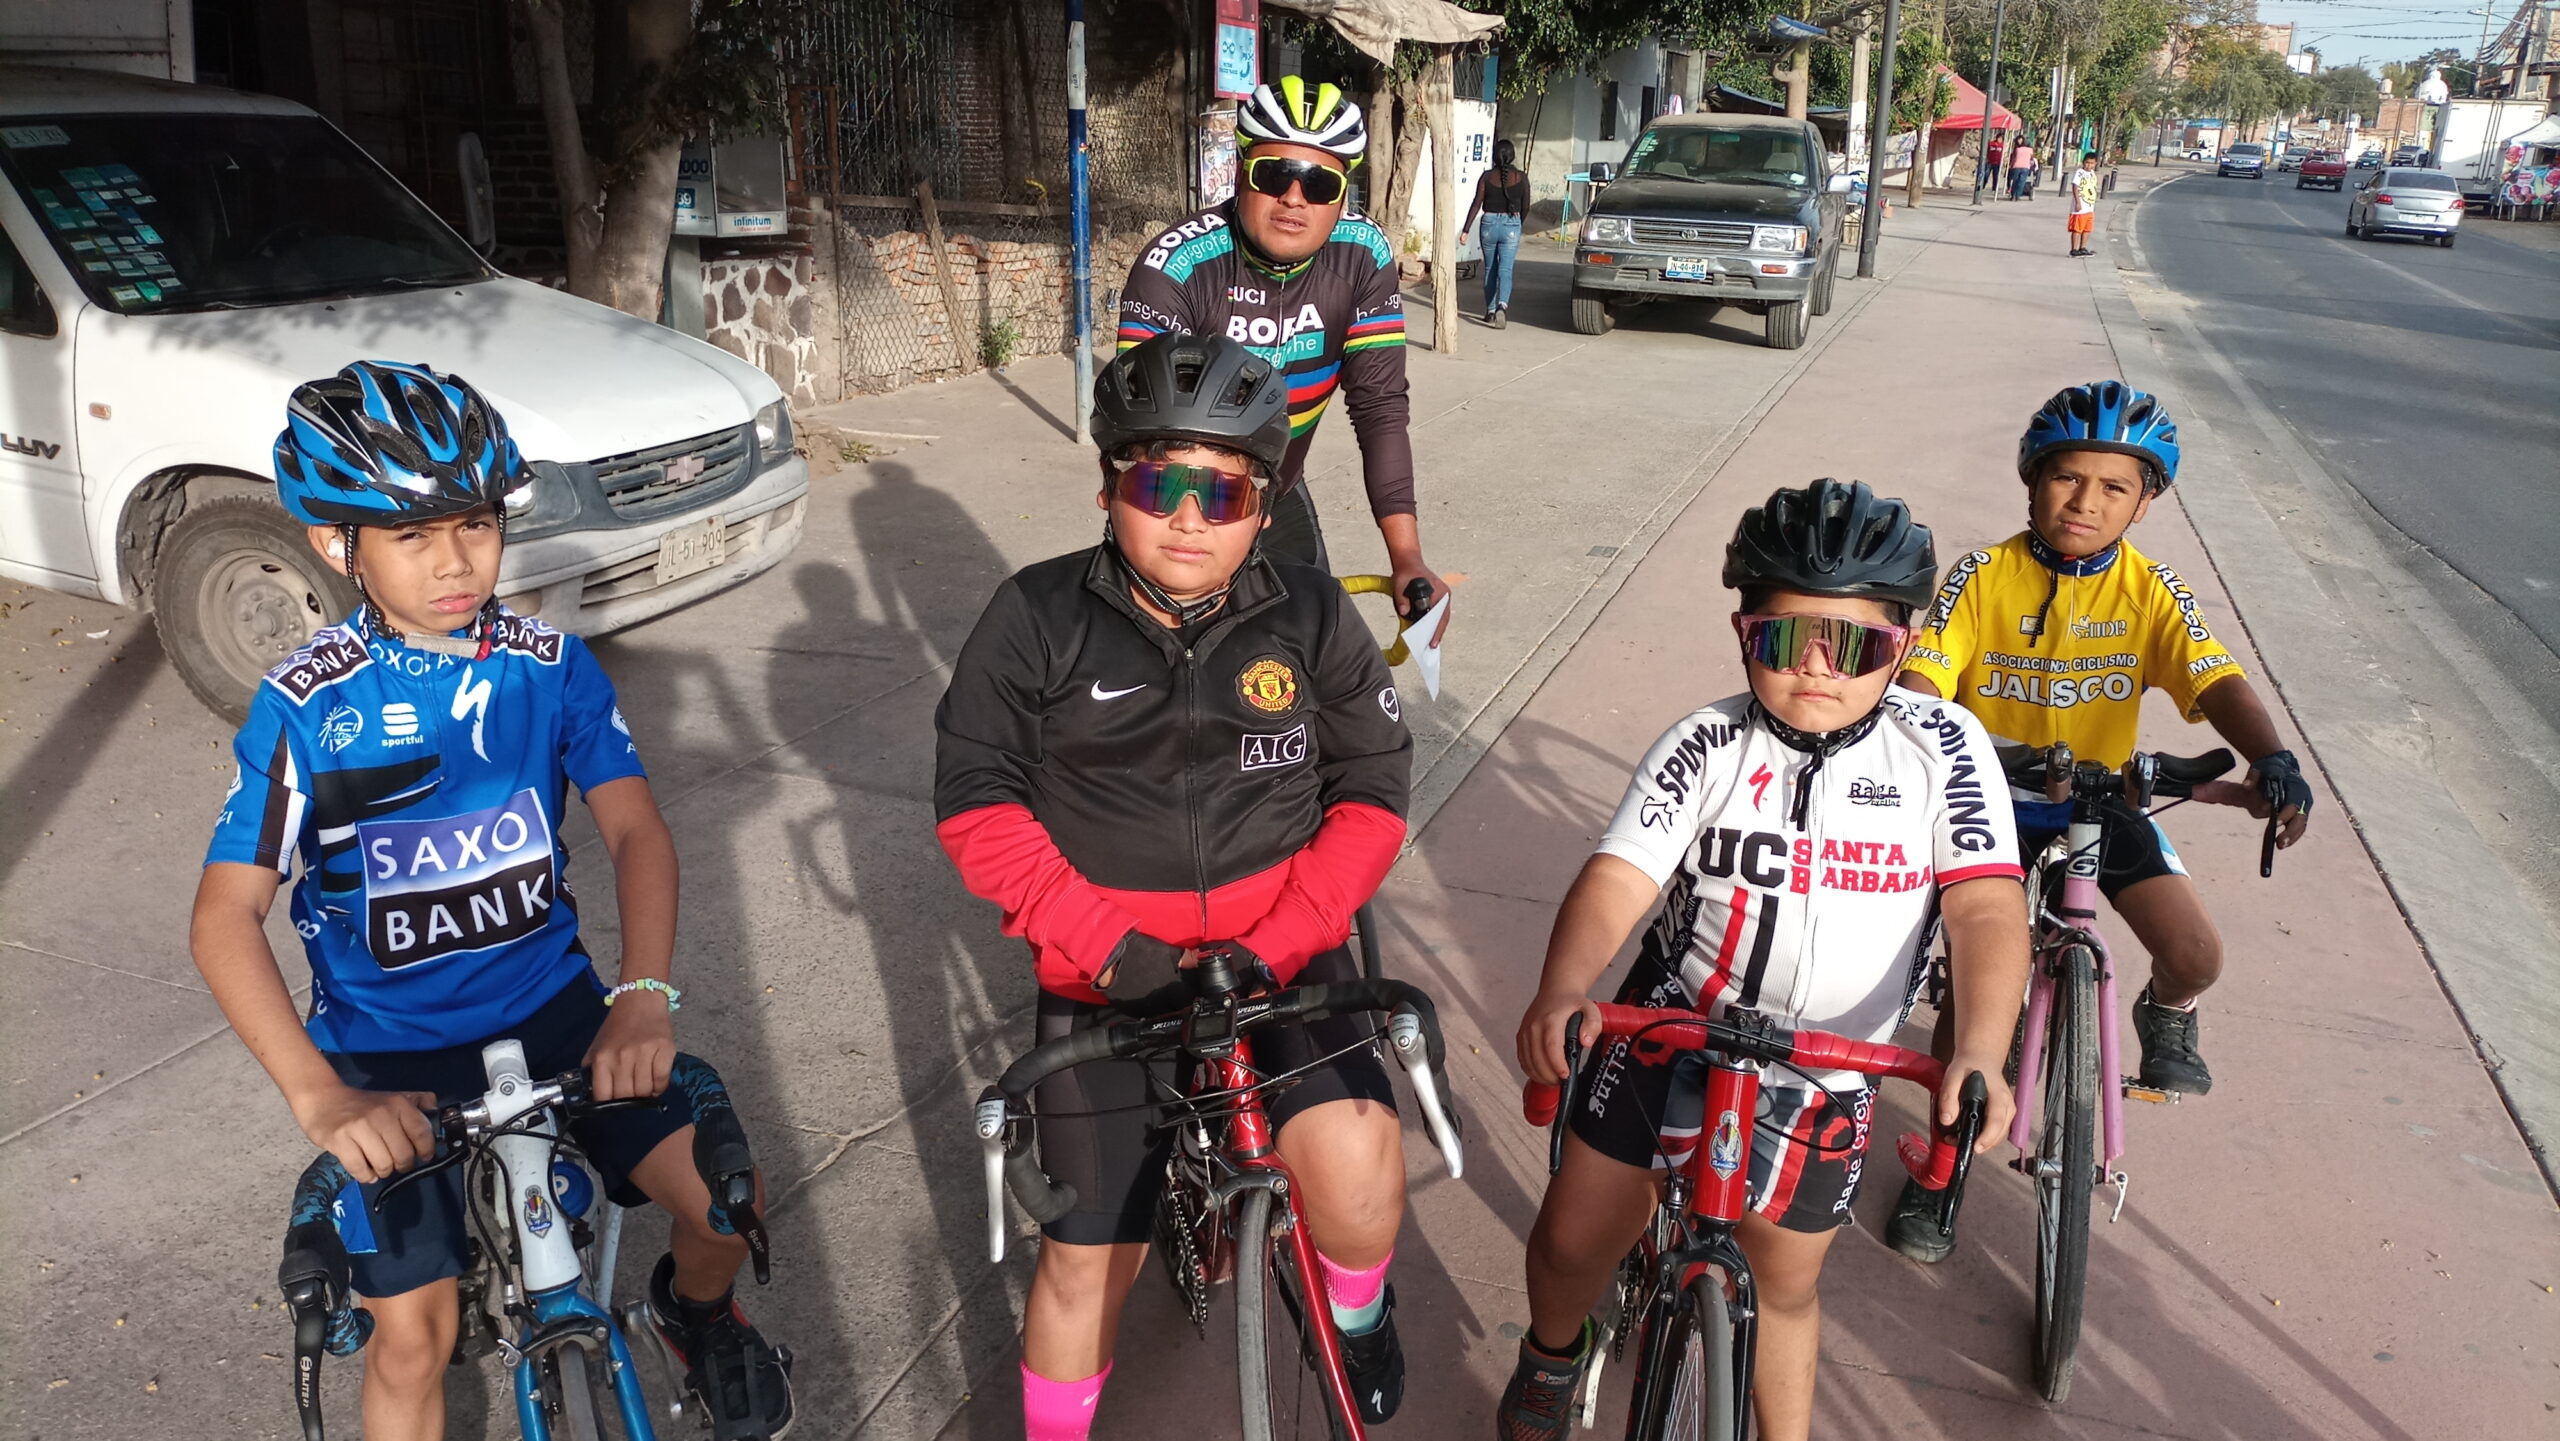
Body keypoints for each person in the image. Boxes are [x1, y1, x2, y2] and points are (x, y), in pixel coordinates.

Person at [189, 361, 792, 1441]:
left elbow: (634, 829)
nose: (456, 561)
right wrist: (320, 1099)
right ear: (339, 545)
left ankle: (692, 1316)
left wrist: (643, 998)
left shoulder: (551, 666)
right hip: (389, 1053)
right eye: (411, 536)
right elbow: (222, 918)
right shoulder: (303, 705)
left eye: (472, 524)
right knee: (409, 1340)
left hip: (559, 1015)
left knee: (724, 1212)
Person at [935, 333, 1419, 1437]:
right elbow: (976, 801)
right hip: (1114, 974)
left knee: (1355, 1172)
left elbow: (1373, 784)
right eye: (1159, 482)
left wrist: (1284, 940)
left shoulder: (1307, 614)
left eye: (1224, 488)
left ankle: (1356, 1312)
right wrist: (1110, 951)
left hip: (1280, 956)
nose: (1189, 515)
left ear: (1264, 502)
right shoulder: (1034, 616)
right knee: (1078, 1272)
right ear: (1110, 486)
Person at [1499, 480, 2029, 1441]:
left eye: (1856, 645)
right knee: (1576, 1237)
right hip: (1673, 1022)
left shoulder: (1944, 746)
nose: (1818, 669)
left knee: (1784, 1284)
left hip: (1832, 1062)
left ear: (1903, 646)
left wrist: (1981, 1047)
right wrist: (1564, 989)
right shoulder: (1706, 742)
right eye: (1786, 641)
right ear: (1745, 633)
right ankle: (1550, 1348)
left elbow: (1988, 907)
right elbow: (1619, 876)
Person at [1884, 381, 2314, 1262]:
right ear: (2031, 480)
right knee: (1978, 1015)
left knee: (2197, 953)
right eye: (2066, 478)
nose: (2085, 502)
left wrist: (2272, 758)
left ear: (2146, 500)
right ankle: (1940, 1171)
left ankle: (2168, 1012)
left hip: (2098, 805)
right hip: (1992, 808)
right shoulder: (1982, 573)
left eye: (2115, 487)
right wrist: (1915, 725)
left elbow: (2213, 676)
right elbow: (1926, 675)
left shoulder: (2151, 589)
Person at [1117, 76, 1445, 623]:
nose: (1294, 197)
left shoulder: (1362, 257)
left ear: (1343, 197)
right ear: (1240, 173)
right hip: (1173, 500)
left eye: (1319, 185)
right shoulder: (1176, 267)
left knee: (1312, 652)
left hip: (1274, 492)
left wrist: (1407, 557)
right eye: (1274, 175)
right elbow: (1143, 440)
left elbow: (1380, 407)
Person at [1463, 138, 1530, 327]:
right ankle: (1502, 306)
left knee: (1490, 269)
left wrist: (1466, 229)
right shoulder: (1521, 177)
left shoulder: (1486, 177)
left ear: (1495, 156)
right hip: (1511, 224)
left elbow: (1477, 203)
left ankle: (1490, 311)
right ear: (1512, 155)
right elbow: (1526, 206)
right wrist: (1517, 224)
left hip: (1489, 224)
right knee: (1506, 270)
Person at [2068, 153, 2101, 256]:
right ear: (2083, 162)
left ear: (2095, 164)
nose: (2089, 165)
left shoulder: (2092, 174)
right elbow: (2075, 186)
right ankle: (2074, 249)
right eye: (2087, 163)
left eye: (2091, 163)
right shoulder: (2079, 172)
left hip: (2089, 207)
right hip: (2080, 207)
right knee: (2077, 229)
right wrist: (2078, 202)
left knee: (2087, 229)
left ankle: (2083, 247)